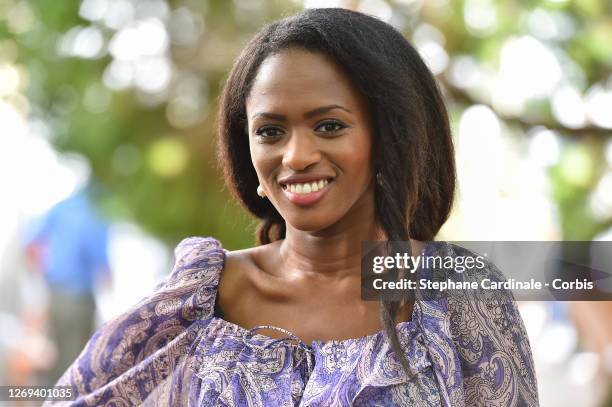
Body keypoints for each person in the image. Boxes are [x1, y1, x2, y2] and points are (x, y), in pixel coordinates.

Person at [48, 8, 539, 406]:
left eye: (329, 126)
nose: (296, 156)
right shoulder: (201, 295)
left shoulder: (456, 292)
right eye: (270, 131)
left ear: (388, 138)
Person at [24, 186, 111, 385]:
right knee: (74, 360)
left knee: (52, 354)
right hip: (79, 298)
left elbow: (31, 245)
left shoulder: (61, 208)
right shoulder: (98, 212)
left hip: (55, 292)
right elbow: (101, 260)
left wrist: (39, 278)